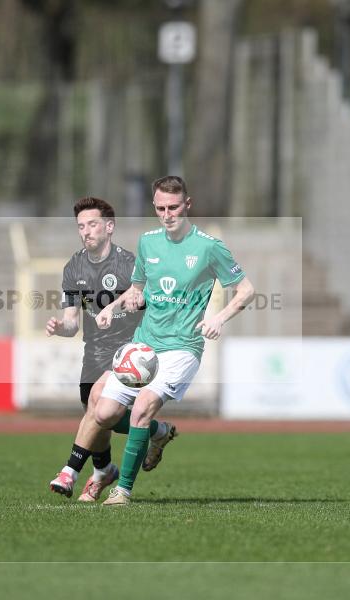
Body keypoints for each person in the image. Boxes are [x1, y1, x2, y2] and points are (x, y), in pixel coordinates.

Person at [93, 175, 255, 506]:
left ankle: (122, 490)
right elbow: (137, 288)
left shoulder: (209, 246)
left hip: (183, 347)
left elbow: (246, 290)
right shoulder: (148, 242)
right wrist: (115, 306)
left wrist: (218, 319)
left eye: (174, 207)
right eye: (161, 208)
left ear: (188, 205)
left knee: (141, 407)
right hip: (143, 345)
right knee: (104, 414)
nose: (168, 215)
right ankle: (159, 433)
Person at [45, 197, 177, 502]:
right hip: (93, 350)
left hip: (129, 350)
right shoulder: (72, 267)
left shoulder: (129, 264)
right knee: (98, 415)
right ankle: (118, 459)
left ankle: (71, 472)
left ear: (109, 227)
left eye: (92, 224)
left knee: (100, 408)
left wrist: (133, 301)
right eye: (81, 226)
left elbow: (147, 297)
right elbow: (71, 323)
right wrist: (59, 328)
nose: (86, 231)